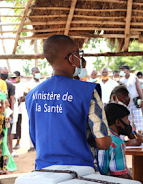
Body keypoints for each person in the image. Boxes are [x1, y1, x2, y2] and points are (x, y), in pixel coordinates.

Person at [25, 35, 111, 170]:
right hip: (80, 171)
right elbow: (103, 142)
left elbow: (35, 135)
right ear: (72, 58)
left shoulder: (32, 94)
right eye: (78, 54)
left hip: (43, 168)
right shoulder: (87, 91)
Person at [98, 103, 132, 179]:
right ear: (118, 122)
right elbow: (121, 176)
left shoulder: (98, 136)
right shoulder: (117, 143)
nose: (129, 122)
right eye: (126, 119)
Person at [119, 65, 143, 133]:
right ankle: (131, 137)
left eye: (123, 70)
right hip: (126, 104)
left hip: (135, 103)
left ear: (127, 70)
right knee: (128, 121)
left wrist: (142, 100)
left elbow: (139, 89)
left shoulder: (134, 78)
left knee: (138, 120)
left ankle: (140, 136)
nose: (121, 71)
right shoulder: (121, 80)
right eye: (121, 70)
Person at [0, 67, 16, 157]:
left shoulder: (10, 85)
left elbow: (12, 99)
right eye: (4, 73)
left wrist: (11, 111)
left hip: (6, 110)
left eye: (7, 73)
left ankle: (10, 150)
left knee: (8, 131)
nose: (6, 74)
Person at [10, 71, 24, 150]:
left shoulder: (22, 85)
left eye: (14, 78)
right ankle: (11, 143)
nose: (13, 79)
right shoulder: (10, 84)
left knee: (18, 126)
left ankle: (18, 142)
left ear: (19, 77)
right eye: (12, 78)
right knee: (11, 127)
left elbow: (23, 96)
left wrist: (19, 101)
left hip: (18, 109)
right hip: (12, 109)